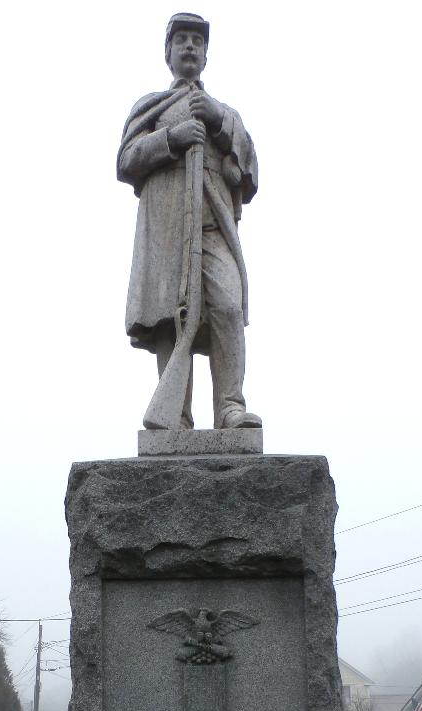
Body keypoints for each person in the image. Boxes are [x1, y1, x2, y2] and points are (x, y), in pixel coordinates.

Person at [118, 12, 261, 431]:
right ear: (168, 52)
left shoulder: (224, 114)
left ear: (205, 54)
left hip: (214, 226)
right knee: (170, 318)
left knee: (228, 309)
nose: (189, 47)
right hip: (168, 232)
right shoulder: (151, 107)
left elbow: (249, 170)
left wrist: (218, 121)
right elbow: (126, 160)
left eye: (196, 41)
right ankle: (176, 416)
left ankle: (230, 407)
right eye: (181, 39)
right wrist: (171, 139)